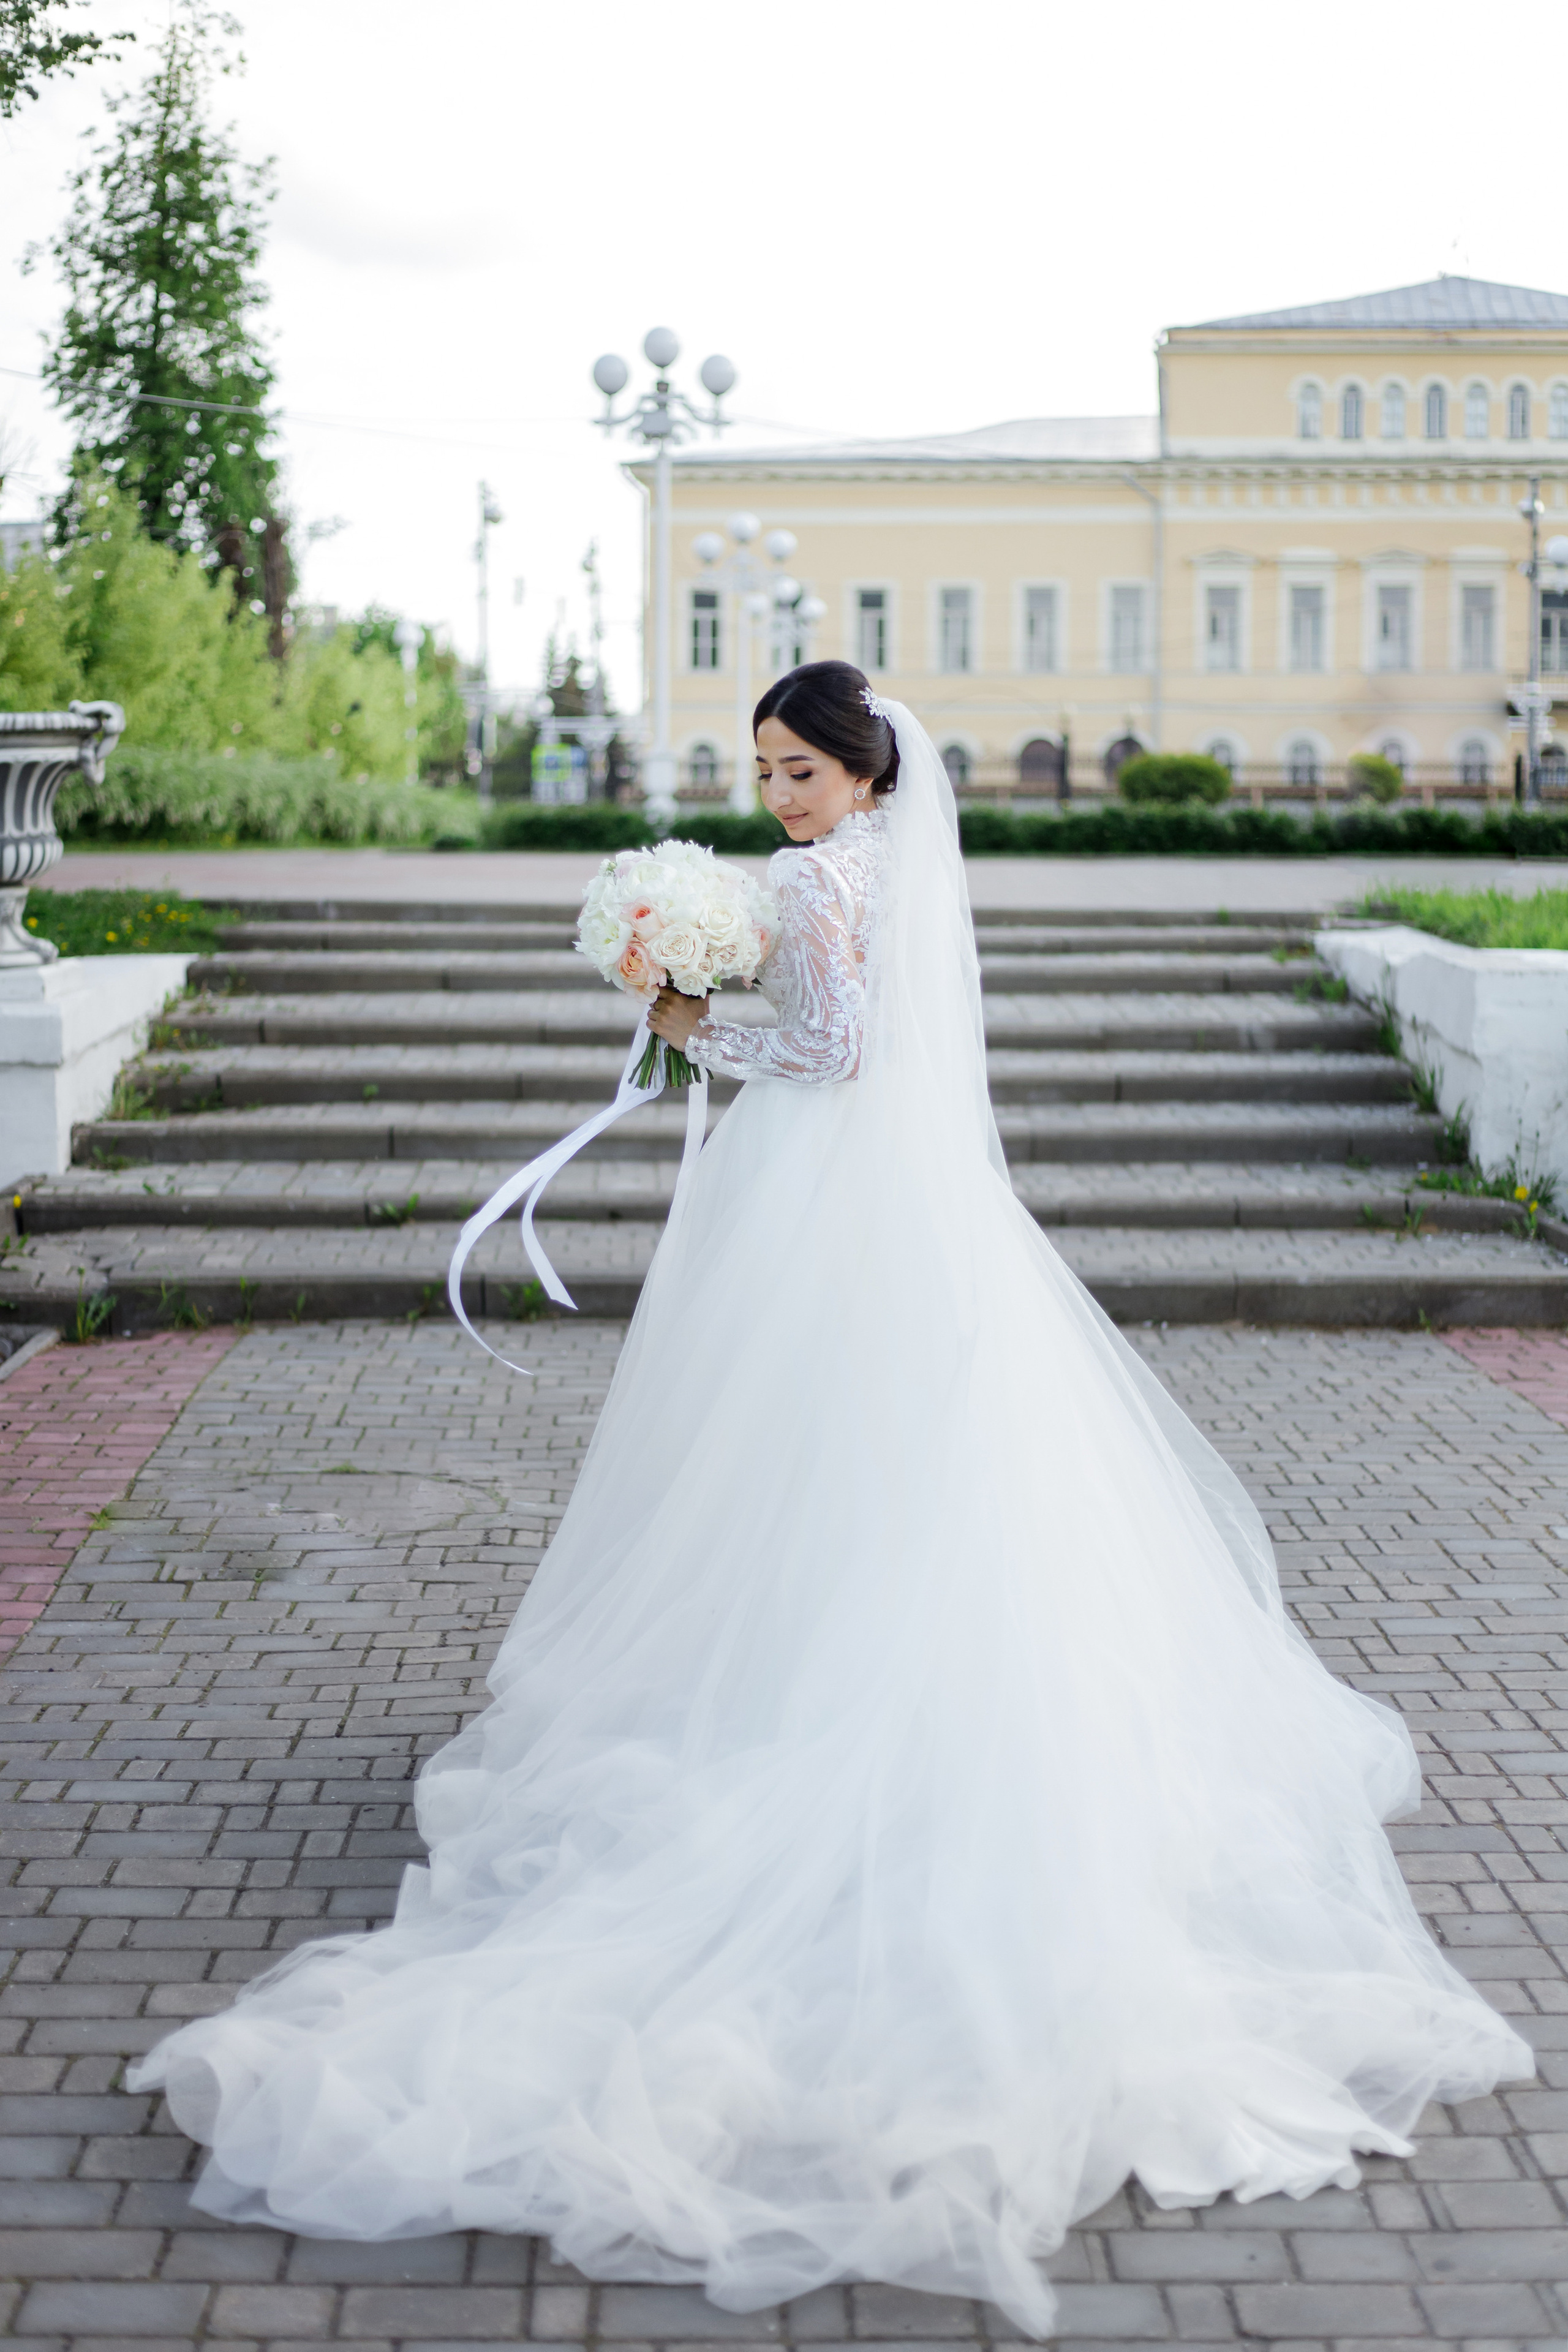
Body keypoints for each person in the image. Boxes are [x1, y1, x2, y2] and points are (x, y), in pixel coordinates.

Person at [130, 663, 1531, 2339]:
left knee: (785, 1444)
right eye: (764, 770)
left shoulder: (816, 881)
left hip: (818, 1186)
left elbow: (832, 1048)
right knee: (882, 1455)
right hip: (901, 1201)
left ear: (868, 776)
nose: (780, 795)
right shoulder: (880, 870)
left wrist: (685, 1020)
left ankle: (790, 1703)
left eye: (801, 770)